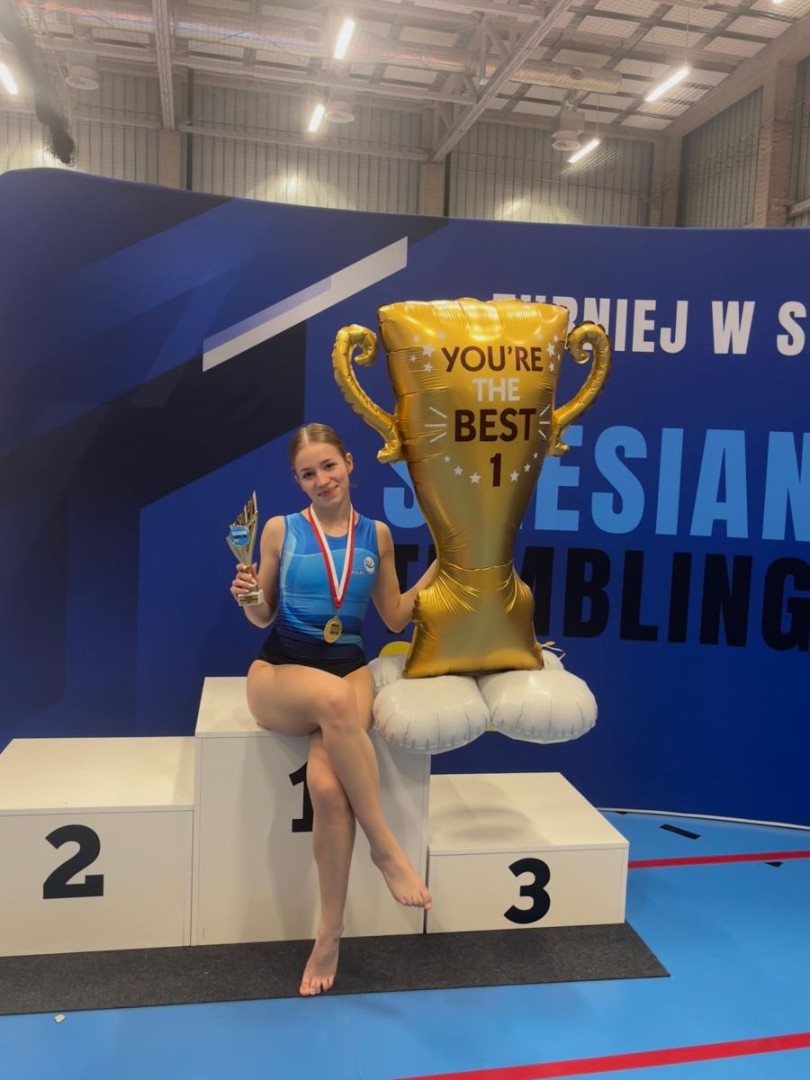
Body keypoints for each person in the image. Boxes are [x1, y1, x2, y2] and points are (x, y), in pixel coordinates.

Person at [230, 422, 435, 997]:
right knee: (334, 698)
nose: (321, 480)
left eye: (328, 466)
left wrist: (445, 562)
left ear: (349, 463)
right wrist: (248, 596)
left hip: (348, 671)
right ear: (297, 481)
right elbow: (263, 614)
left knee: (326, 787)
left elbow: (395, 617)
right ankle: (385, 847)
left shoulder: (378, 535)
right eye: (307, 473)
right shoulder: (280, 529)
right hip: (281, 675)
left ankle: (329, 934)